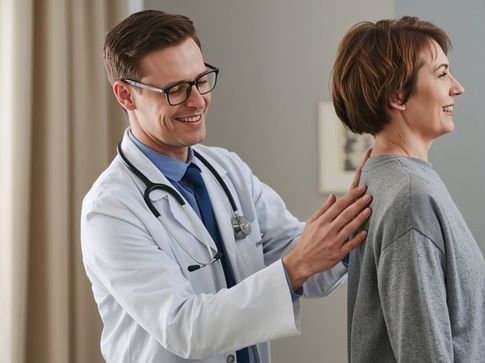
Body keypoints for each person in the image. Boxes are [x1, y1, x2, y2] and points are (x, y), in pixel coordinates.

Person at [81, 10, 372, 363]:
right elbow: (184, 328)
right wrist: (296, 266)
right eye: (175, 89)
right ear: (125, 95)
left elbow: (304, 261)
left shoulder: (226, 169)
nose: (197, 100)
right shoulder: (110, 209)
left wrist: (363, 218)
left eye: (201, 80)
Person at [331, 17, 485, 362]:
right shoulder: (410, 197)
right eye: (442, 74)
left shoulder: (389, 179)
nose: (457, 88)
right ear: (398, 94)